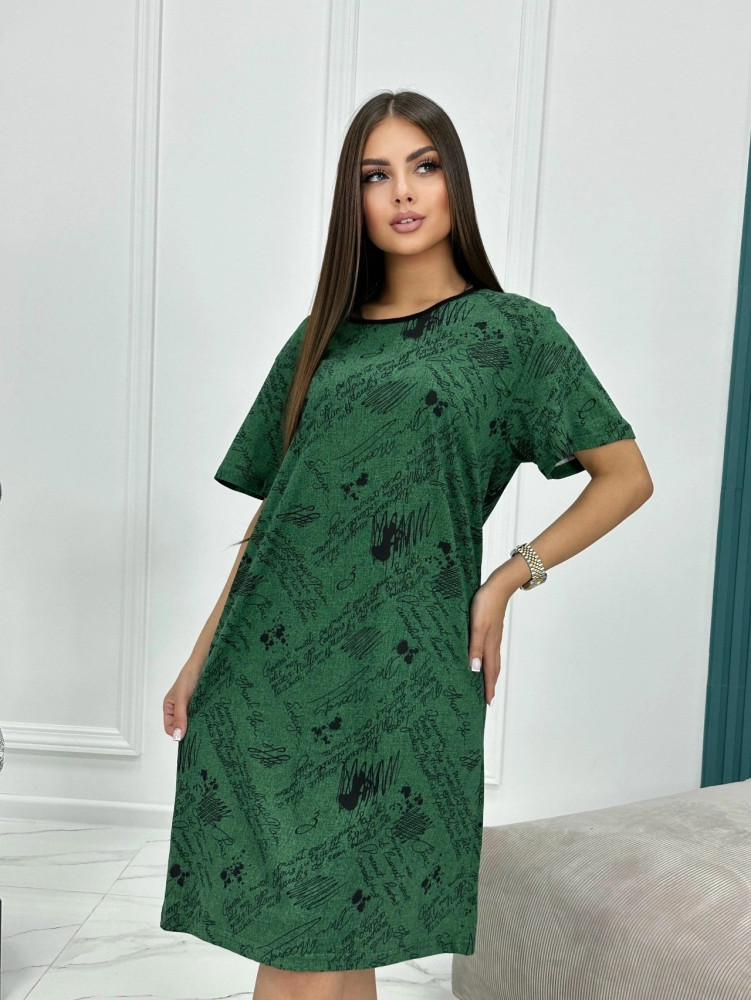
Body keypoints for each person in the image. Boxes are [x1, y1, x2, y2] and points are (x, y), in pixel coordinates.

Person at [159, 89, 653, 1000]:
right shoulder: (320, 341)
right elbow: (278, 517)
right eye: (374, 175)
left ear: (453, 179)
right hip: (273, 677)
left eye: (422, 166)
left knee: (331, 928)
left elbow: (625, 475)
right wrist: (200, 657)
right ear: (352, 200)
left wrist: (506, 580)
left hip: (401, 672)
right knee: (320, 942)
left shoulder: (513, 334)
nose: (401, 192)